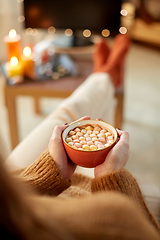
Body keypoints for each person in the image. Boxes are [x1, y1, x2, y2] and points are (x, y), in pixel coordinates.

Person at [1, 34, 160, 239]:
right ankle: (107, 74)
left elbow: (9, 205)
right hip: (39, 205)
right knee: (67, 114)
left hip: (17, 192)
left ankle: (105, 74)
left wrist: (50, 173)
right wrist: (110, 178)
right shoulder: (119, 220)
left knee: (66, 117)